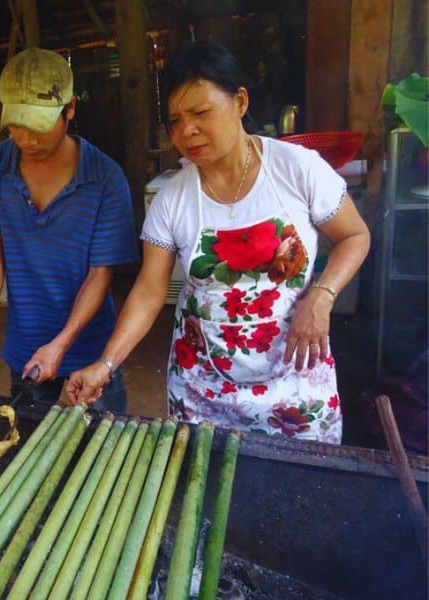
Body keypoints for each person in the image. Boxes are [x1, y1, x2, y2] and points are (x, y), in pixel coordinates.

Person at [66, 41, 370, 443]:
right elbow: (149, 290)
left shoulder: (297, 170)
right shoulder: (172, 199)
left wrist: (322, 295)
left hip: (295, 386)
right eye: (175, 121)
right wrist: (105, 364)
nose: (186, 131)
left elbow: (354, 235)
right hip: (202, 390)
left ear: (240, 101)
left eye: (201, 113)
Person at [0, 47, 139, 411]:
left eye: (38, 127)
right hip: (25, 347)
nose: (26, 140)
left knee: (102, 440)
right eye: (16, 125)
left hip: (92, 351)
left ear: (69, 109)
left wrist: (61, 344)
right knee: (26, 436)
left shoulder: (105, 178)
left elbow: (100, 274)